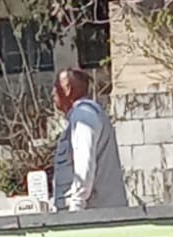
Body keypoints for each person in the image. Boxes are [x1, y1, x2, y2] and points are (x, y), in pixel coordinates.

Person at [52, 68, 128, 212]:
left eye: (56, 86)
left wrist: (76, 207)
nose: (53, 92)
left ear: (67, 89)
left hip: (92, 214)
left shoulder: (83, 116)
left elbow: (84, 165)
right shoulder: (87, 114)